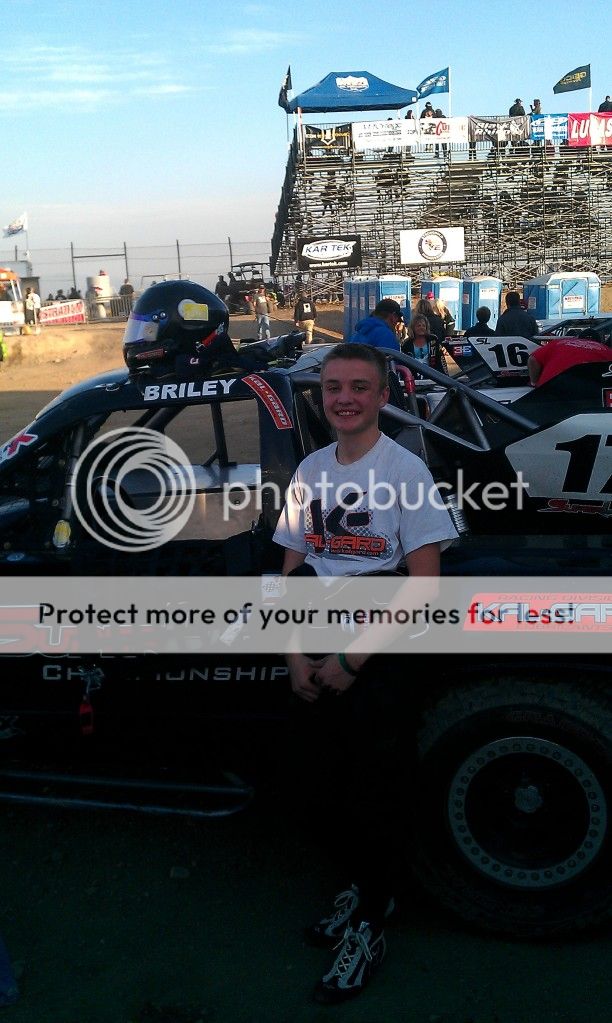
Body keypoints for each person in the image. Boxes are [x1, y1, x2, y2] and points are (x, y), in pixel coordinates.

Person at [273, 343, 457, 1003]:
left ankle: (373, 921)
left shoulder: (405, 470)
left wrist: (354, 659)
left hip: (379, 649)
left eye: (358, 386)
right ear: (320, 396)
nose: (344, 398)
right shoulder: (310, 469)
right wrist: (295, 652)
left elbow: (425, 584)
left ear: (383, 396)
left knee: (376, 794)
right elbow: (292, 570)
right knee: (316, 792)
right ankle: (360, 887)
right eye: (333, 387)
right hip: (317, 639)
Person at [528, 336, 612, 387]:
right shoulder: (605, 349)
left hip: (549, 387)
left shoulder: (558, 343)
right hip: (586, 391)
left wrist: (534, 382)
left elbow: (532, 359)